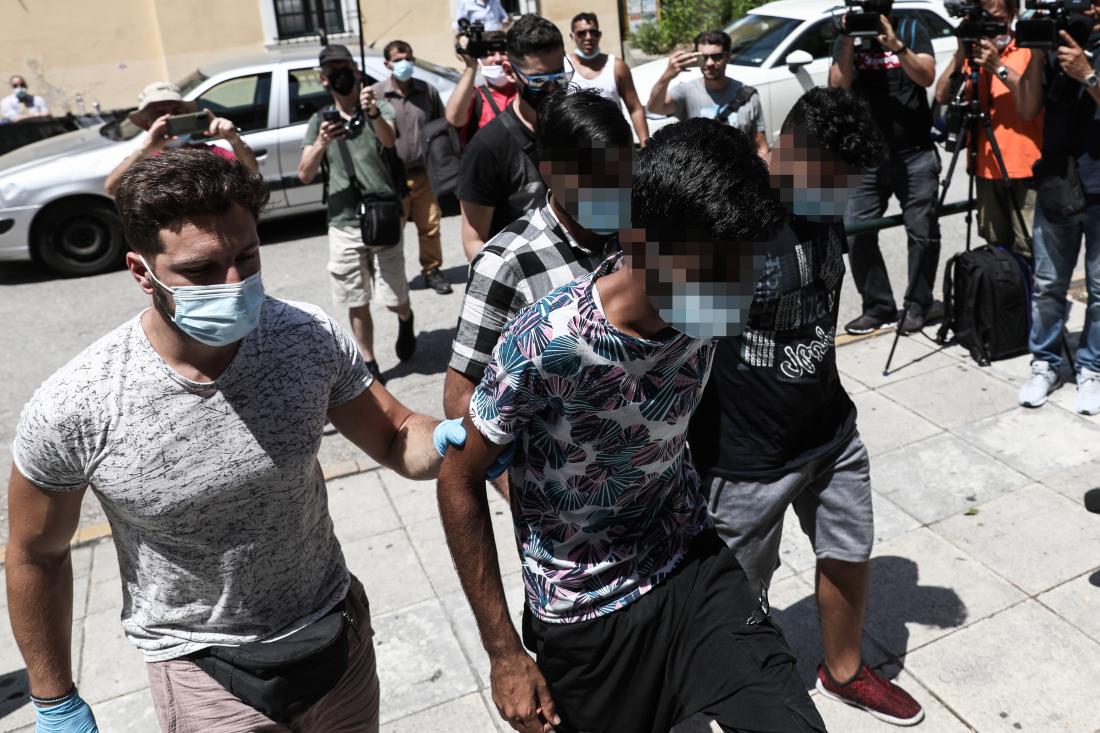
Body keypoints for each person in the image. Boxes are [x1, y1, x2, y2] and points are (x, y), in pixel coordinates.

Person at [4, 148, 491, 733]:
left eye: (246, 257)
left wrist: (455, 439)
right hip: (206, 674)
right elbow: (35, 553)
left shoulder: (304, 337)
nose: (233, 284)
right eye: (201, 270)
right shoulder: (76, 405)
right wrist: (54, 698)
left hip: (337, 641)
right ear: (141, 271)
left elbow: (394, 437)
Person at [437, 119, 827, 733]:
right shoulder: (548, 341)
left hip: (690, 562)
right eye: (719, 276)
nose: (737, 299)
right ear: (646, 245)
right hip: (585, 612)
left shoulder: (709, 297)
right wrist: (504, 653)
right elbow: (457, 479)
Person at [689, 87, 925, 726]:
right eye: (828, 181)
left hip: (830, 432)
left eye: (846, 184)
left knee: (849, 550)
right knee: (736, 597)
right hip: (744, 458)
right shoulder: (724, 217)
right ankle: (736, 701)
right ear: (785, 150)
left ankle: (843, 671)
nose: (838, 197)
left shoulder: (823, 208)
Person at [443, 87, 630, 498]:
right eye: (595, 180)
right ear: (551, 171)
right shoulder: (506, 264)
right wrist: (520, 493)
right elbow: (462, 395)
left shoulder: (640, 238)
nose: (612, 192)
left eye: (621, 176)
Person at [298, 44, 415, 385]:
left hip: (383, 215)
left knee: (394, 296)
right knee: (356, 298)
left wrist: (373, 112)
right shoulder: (319, 121)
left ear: (356, 71)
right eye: (332, 70)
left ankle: (405, 317)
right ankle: (369, 361)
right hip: (343, 222)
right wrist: (321, 142)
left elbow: (390, 141)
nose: (340, 75)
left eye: (345, 68)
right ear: (323, 79)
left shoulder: (379, 107)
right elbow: (304, 173)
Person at [830, 0, 940, 336]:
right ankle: (878, 306)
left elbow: (926, 76)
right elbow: (837, 87)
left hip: (914, 152)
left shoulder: (910, 26)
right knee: (856, 230)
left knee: (922, 232)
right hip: (867, 156)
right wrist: (847, 40)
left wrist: (896, 45)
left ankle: (918, 305)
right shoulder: (848, 34)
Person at [1014, 2, 1100, 414]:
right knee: (1048, 285)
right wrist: (1035, 54)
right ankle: (1044, 363)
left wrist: (1088, 74)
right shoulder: (1054, 44)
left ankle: (1092, 367)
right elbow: (1027, 108)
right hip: (1057, 182)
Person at [933, 0, 1042, 260]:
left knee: (1030, 248)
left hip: (1025, 168)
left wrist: (997, 66)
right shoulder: (973, 55)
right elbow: (941, 95)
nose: (989, 26)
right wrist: (961, 52)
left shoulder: (1027, 51)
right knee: (996, 249)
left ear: (1012, 14)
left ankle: (1028, 287)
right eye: (984, 19)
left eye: (995, 18)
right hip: (985, 167)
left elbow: (1031, 106)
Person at [456, 14, 570, 261]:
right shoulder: (487, 147)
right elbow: (473, 240)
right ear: (510, 71)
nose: (552, 89)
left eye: (560, 76)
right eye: (539, 81)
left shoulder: (577, 125)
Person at [373, 40, 452, 295]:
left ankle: (432, 270)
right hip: (391, 176)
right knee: (392, 231)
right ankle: (392, 278)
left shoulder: (427, 92)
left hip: (424, 173)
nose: (404, 64)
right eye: (398, 60)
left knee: (430, 226)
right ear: (387, 64)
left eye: (408, 58)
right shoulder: (376, 94)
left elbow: (440, 127)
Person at [104, 81, 258, 196]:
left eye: (177, 111)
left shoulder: (209, 153)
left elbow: (251, 173)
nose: (171, 117)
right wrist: (143, 151)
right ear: (146, 123)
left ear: (187, 115)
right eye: (160, 114)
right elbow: (112, 189)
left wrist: (234, 139)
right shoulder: (142, 160)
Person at [647, 30, 769, 157]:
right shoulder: (686, 91)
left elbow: (761, 147)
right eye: (704, 58)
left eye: (717, 57)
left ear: (728, 56)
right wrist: (667, 76)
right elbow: (654, 108)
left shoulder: (748, 95)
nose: (710, 63)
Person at [567, 12, 649, 143]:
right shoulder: (564, 67)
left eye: (593, 32)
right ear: (572, 36)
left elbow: (635, 108)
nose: (588, 37)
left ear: (599, 35)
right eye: (581, 33)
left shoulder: (617, 66)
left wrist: (646, 145)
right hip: (577, 148)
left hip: (616, 145)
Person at [446, 28, 517, 146]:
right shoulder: (475, 97)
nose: (498, 59)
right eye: (490, 54)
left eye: (503, 53)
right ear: (480, 60)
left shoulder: (524, 90)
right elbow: (454, 118)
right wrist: (471, 66)